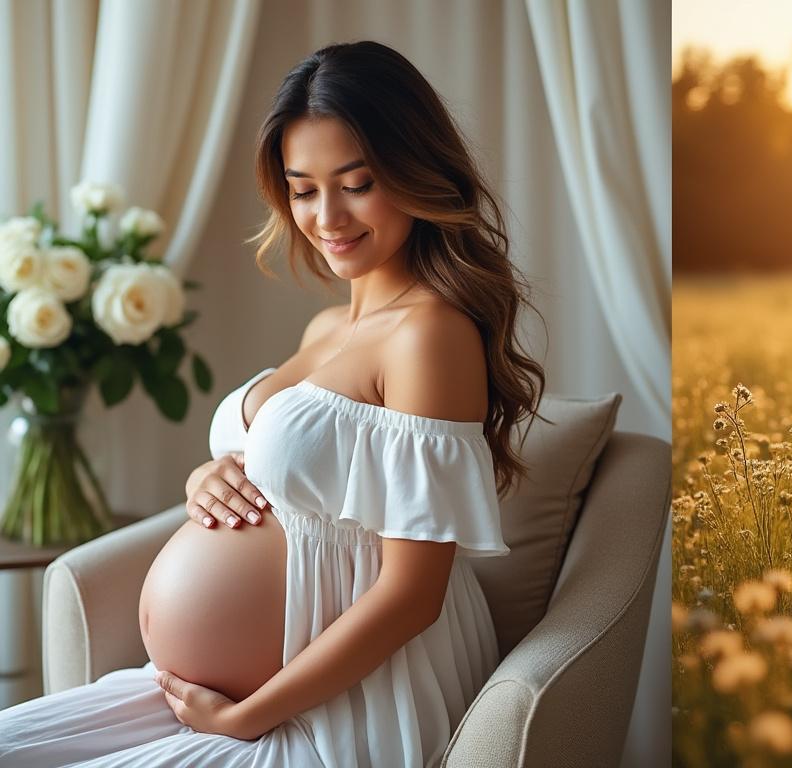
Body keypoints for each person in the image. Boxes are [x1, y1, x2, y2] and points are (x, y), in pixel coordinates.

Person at [0, 40, 545, 766]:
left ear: (416, 172)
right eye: (303, 187)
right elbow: (288, 475)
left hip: (342, 706)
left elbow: (414, 594)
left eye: (357, 183)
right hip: (212, 696)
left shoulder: (430, 336)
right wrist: (207, 477)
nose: (327, 217)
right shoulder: (330, 327)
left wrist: (250, 717)